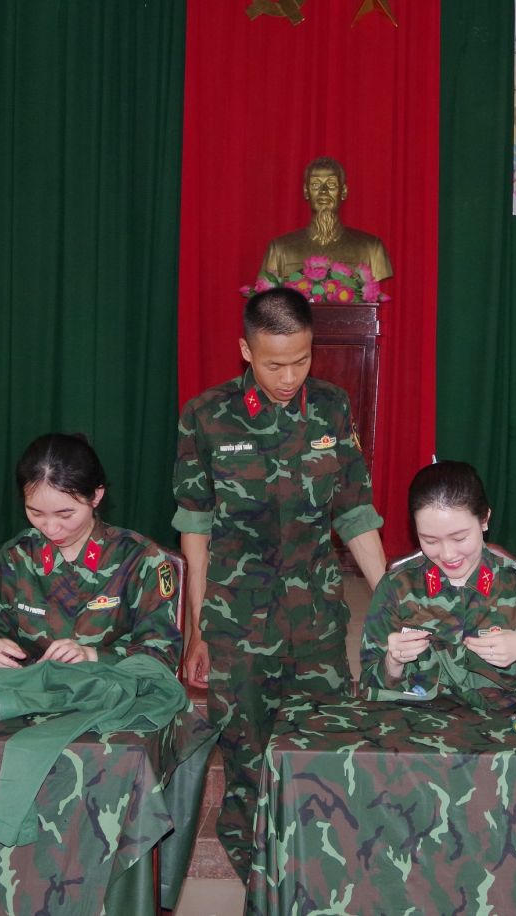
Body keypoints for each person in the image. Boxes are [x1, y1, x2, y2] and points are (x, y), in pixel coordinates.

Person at [172, 285, 388, 881]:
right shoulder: (206, 416)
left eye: (301, 360)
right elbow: (195, 528)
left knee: (324, 748)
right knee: (246, 759)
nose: (290, 377)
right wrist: (197, 630)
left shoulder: (332, 408)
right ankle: (257, 882)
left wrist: (394, 599)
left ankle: (320, 876)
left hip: (316, 619)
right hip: (237, 622)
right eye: (274, 364)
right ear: (246, 350)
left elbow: (355, 511)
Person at [359, 460, 516, 706]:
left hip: (501, 723)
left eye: (459, 538)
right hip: (420, 723)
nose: (447, 554)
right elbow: (368, 687)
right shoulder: (397, 587)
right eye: (430, 540)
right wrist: (392, 663)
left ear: (484, 519)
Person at [0, 433, 181, 671]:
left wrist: (93, 656)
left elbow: (162, 656)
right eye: (36, 513)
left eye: (65, 514)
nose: (51, 528)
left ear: (96, 496)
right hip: (32, 689)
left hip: (109, 689)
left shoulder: (140, 560)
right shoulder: (15, 558)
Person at [259, 156, 394, 282]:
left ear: (344, 191)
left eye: (331, 184)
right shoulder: (280, 249)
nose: (323, 191)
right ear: (306, 191)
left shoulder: (371, 249)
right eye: (315, 185)